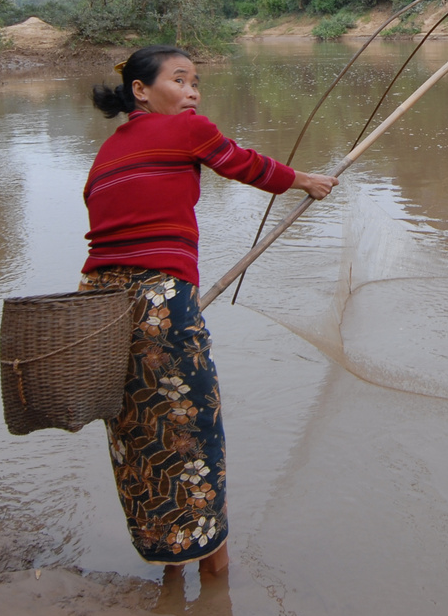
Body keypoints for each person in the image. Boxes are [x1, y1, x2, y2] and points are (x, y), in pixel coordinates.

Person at [81, 45, 336, 578]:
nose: (193, 92)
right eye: (180, 80)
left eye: (196, 82)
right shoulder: (186, 131)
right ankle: (214, 569)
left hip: (100, 305)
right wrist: (306, 181)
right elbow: (247, 165)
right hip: (159, 301)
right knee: (192, 430)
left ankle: (167, 561)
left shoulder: (106, 153)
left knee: (137, 433)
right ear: (141, 90)